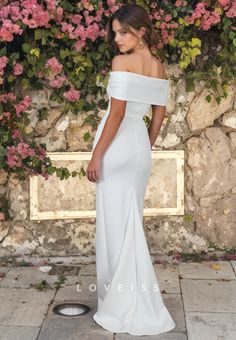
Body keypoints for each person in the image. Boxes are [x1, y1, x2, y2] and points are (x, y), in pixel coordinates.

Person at [86, 3, 176, 336]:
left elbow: (117, 114)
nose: (117, 39)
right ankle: (132, 297)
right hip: (138, 148)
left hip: (117, 147)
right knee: (130, 223)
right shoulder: (159, 67)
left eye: (123, 31)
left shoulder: (122, 62)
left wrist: (97, 155)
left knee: (115, 225)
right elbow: (159, 114)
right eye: (114, 32)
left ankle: (120, 302)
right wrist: (146, 145)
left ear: (141, 30)